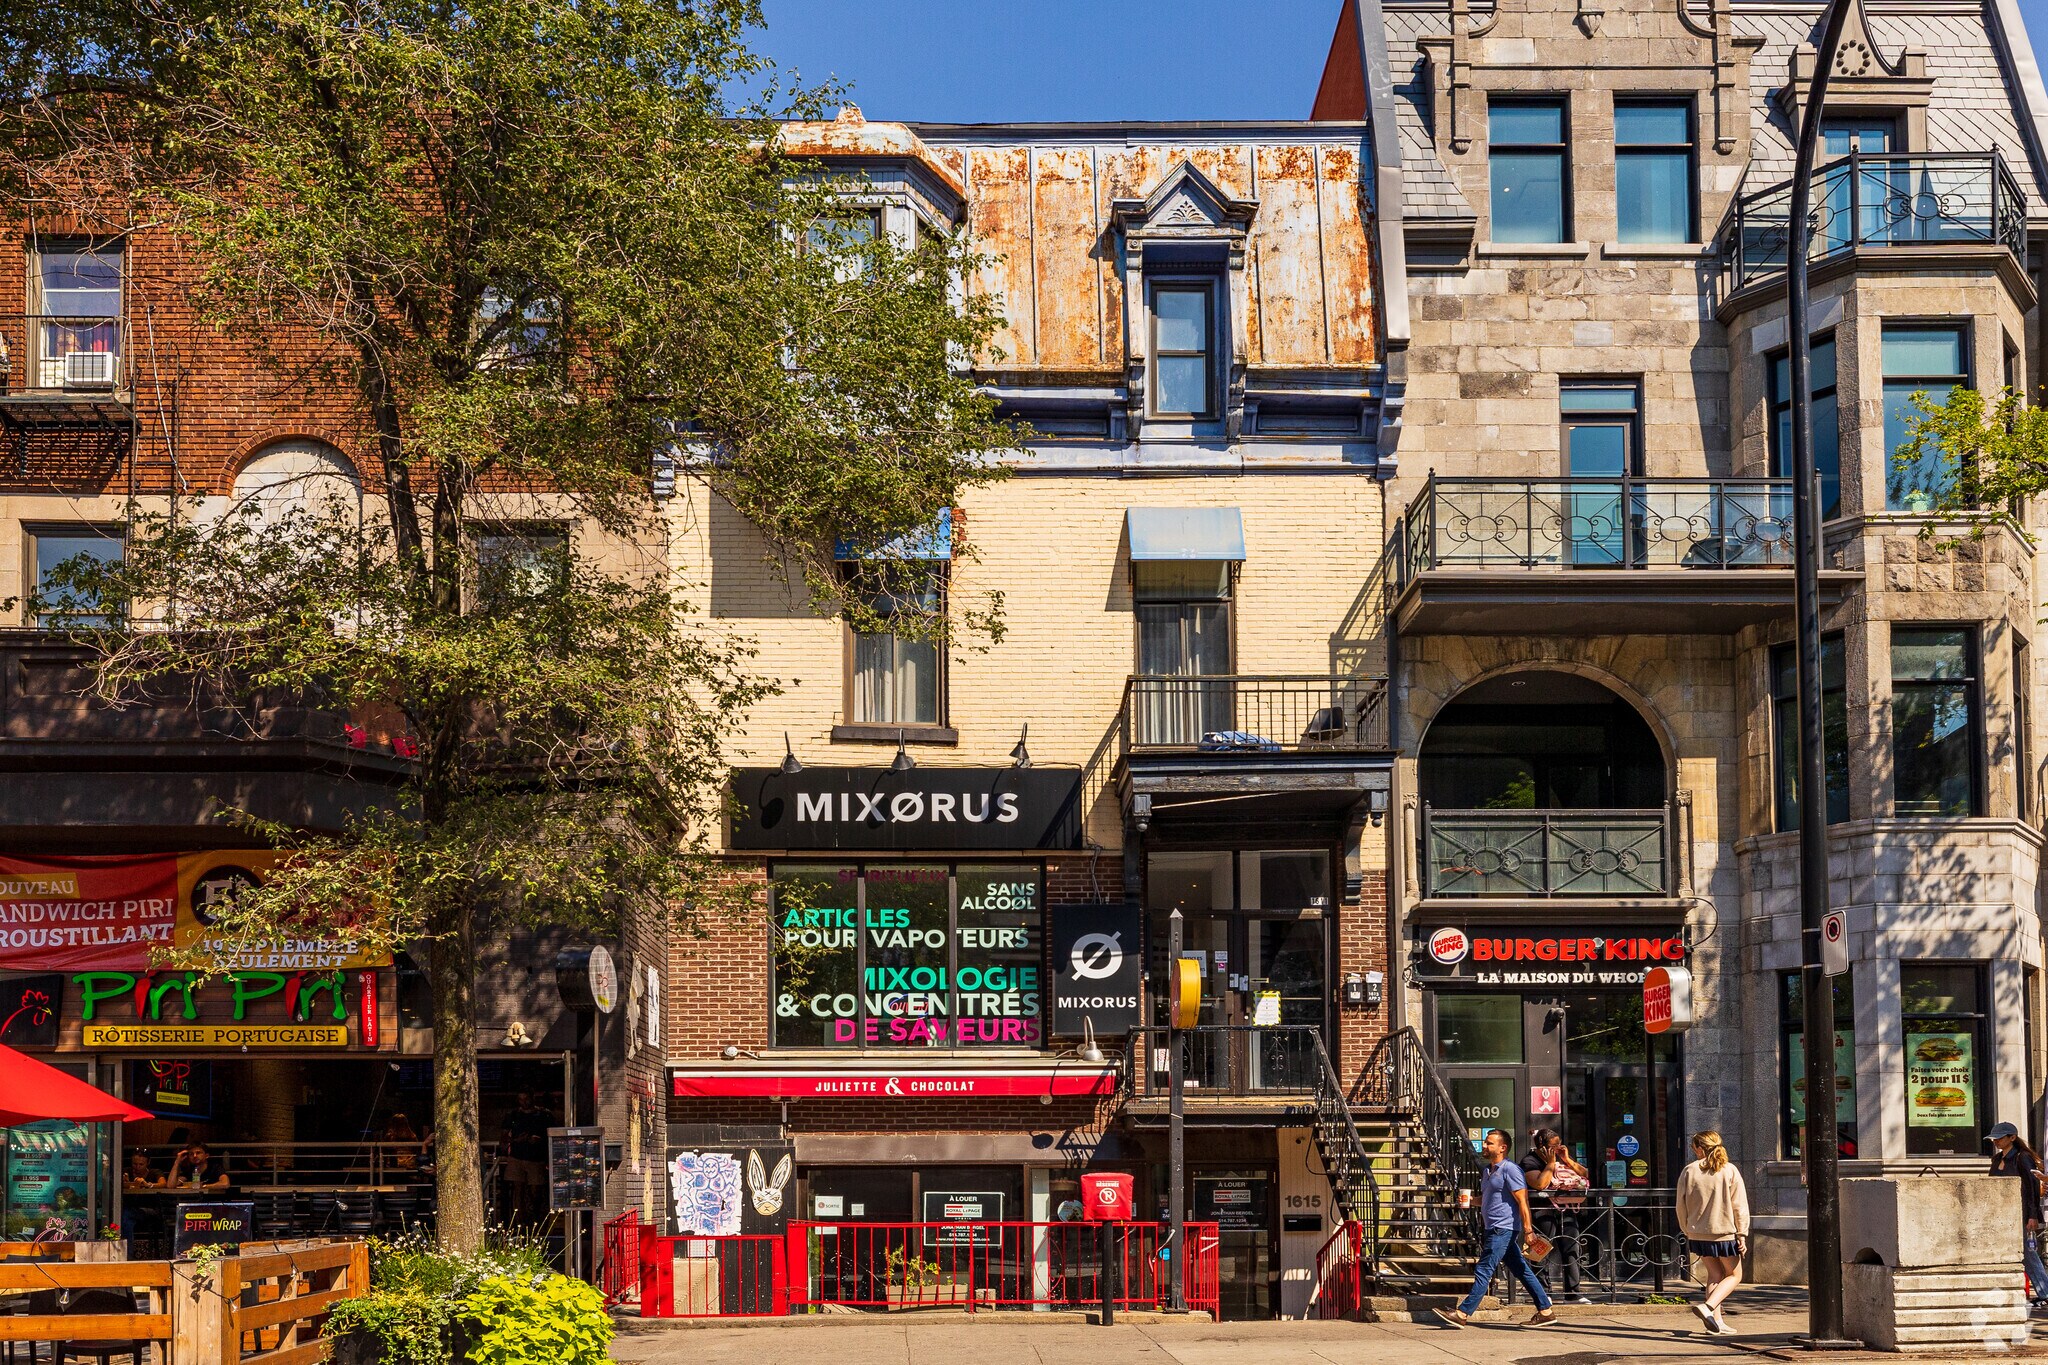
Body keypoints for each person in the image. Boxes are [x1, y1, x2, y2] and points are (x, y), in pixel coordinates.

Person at [1440, 1129, 1559, 1329]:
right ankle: (1545, 1311)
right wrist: (1471, 1201)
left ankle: (1462, 1313)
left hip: (1503, 1228)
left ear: (1502, 1148)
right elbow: (1487, 1199)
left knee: (1484, 1269)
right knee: (1521, 1269)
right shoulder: (1488, 1171)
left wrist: (1528, 1230)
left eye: (1489, 1143)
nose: (1484, 1146)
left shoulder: (1510, 1169)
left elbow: (1523, 1201)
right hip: (1492, 1226)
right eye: (1485, 1143)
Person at [1675, 1130, 1749, 1336]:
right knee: (1735, 1275)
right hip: (1723, 1233)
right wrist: (1742, 1233)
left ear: (1700, 1148)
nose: (1693, 1151)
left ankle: (1716, 1323)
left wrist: (1687, 1229)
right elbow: (1739, 1205)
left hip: (1698, 1234)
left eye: (1693, 1147)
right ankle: (1708, 1307)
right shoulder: (1729, 1170)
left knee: (1715, 1274)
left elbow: (1680, 1206)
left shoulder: (1689, 1171)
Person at [1521, 1127, 1592, 1303]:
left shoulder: (1562, 1159)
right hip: (1542, 1210)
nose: (1557, 1148)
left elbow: (1587, 1175)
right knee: (1541, 1249)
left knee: (1571, 1247)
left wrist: (1567, 1159)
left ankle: (1573, 1292)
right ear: (1541, 1146)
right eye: (1553, 1146)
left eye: (1559, 1144)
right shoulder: (1530, 1161)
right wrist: (1551, 1164)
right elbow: (1539, 1184)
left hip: (1566, 1208)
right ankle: (1543, 1292)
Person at [1986, 1121, 2048, 1304]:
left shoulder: (2023, 1157)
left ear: (2012, 1138)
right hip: (2001, 1214)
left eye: (2000, 1138)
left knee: (2028, 1253)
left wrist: (2032, 1215)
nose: (1996, 1141)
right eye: (1994, 1139)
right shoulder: (1996, 1160)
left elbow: (2031, 1188)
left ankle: (2044, 1291)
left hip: (2022, 1213)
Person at [503, 1093, 551, 1223]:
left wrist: (538, 1142)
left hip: (536, 1157)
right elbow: (504, 1136)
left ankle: (536, 1219)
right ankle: (519, 1221)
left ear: (532, 1098)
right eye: (521, 1099)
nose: (524, 1102)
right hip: (517, 1156)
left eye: (526, 1098)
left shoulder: (543, 1115)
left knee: (536, 1190)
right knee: (517, 1190)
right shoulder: (513, 1115)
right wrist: (518, 1140)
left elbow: (550, 1135)